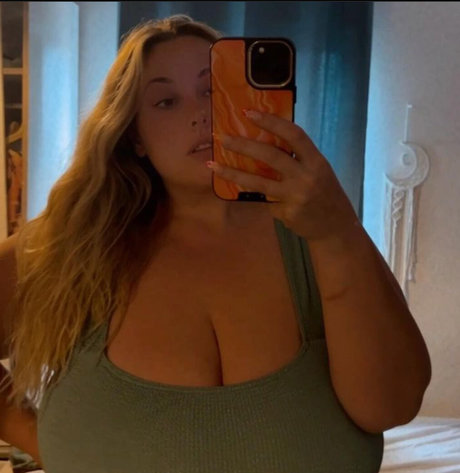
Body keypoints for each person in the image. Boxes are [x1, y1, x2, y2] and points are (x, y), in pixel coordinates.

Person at [0, 14, 431, 473]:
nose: (200, 114)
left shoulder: (321, 237)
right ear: (135, 137)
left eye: (214, 90)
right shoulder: (73, 245)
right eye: (166, 101)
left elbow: (391, 406)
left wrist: (338, 232)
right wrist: (41, 437)